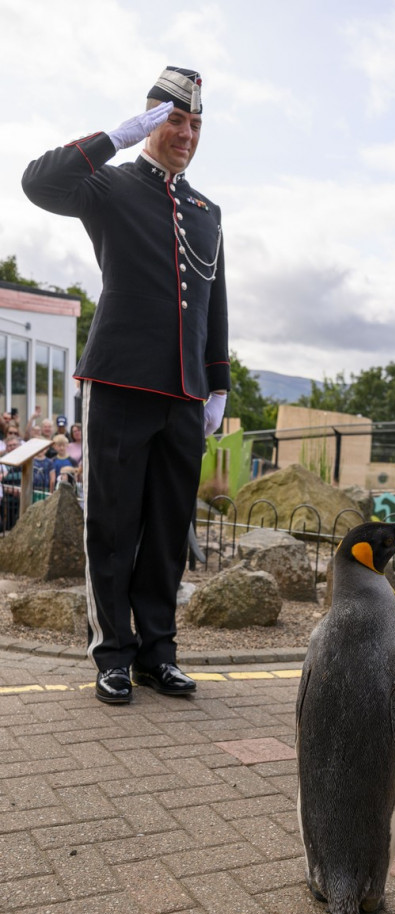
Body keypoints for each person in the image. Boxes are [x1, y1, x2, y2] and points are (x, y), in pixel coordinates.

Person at [22, 65, 230, 705]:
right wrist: (115, 136)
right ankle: (111, 654)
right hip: (118, 380)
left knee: (168, 530)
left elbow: (214, 302)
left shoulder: (206, 211)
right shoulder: (108, 186)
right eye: (174, 120)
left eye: (195, 124)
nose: (186, 134)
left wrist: (216, 383)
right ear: (150, 122)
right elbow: (38, 182)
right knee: (112, 526)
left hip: (184, 392)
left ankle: (156, 654)